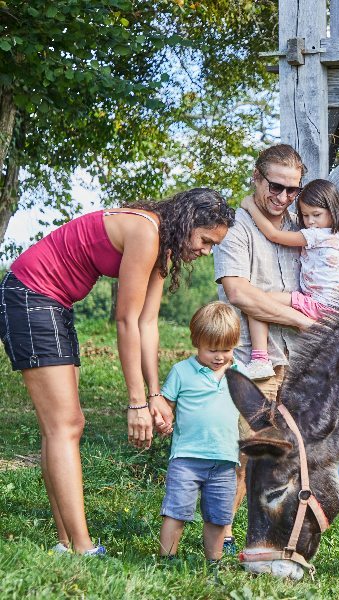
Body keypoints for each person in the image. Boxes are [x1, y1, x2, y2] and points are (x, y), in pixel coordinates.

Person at [0, 188, 235, 555]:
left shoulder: (164, 244)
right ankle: (80, 546)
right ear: (189, 222)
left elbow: (148, 323)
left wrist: (155, 395)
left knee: (59, 426)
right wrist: (135, 402)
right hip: (32, 297)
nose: (206, 251)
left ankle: (66, 542)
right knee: (65, 425)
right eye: (206, 241)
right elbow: (125, 321)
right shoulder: (147, 233)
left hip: (54, 305)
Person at [213, 143, 314, 550]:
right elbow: (240, 293)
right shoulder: (236, 227)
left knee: (294, 459)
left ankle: (278, 535)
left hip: (302, 361)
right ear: (257, 179)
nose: (284, 197)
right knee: (243, 459)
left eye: (292, 190)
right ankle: (221, 540)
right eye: (276, 186)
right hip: (256, 366)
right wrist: (304, 320)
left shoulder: (303, 223)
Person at [157, 302, 248, 561]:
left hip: (225, 461)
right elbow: (167, 406)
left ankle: (214, 562)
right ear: (197, 342)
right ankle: (167, 560)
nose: (220, 356)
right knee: (177, 512)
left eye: (227, 349)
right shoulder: (182, 372)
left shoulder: (238, 373)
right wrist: (163, 420)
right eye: (212, 350)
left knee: (219, 517)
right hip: (187, 459)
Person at [239, 178, 339, 379]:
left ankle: (260, 360)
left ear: (333, 212)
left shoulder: (316, 235)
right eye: (305, 215)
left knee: (258, 302)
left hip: (318, 305)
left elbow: (273, 234)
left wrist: (250, 206)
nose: (310, 222)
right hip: (336, 310)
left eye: (316, 215)